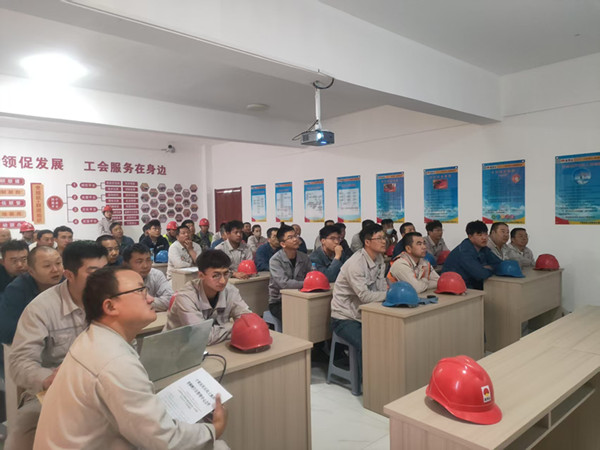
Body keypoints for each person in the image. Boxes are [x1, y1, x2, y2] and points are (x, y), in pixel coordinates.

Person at [33, 266, 229, 449]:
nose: (151, 299)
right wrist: (213, 430)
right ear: (110, 306)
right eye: (140, 291)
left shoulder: (95, 338)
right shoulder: (114, 361)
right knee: (218, 445)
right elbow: (163, 439)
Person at [6, 242, 107, 449]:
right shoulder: (41, 308)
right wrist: (48, 379)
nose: (104, 279)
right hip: (52, 390)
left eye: (106, 271)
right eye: (94, 273)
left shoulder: (111, 300)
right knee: (21, 437)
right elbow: (19, 362)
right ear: (69, 275)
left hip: (104, 386)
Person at [330, 223, 388, 379]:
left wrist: (386, 294)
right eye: (379, 238)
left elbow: (381, 287)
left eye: (384, 238)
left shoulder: (379, 259)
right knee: (369, 343)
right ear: (367, 242)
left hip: (365, 314)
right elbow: (365, 297)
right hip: (345, 318)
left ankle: (386, 378)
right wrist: (389, 295)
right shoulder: (356, 264)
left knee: (390, 335)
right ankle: (369, 383)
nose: (384, 241)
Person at [165, 250, 252, 345]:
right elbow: (202, 336)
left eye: (226, 274)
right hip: (176, 347)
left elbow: (249, 320)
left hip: (212, 346)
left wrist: (241, 325)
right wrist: (234, 326)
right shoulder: (186, 296)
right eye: (216, 275)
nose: (223, 281)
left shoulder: (230, 290)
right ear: (201, 275)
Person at [0, 247, 64, 345]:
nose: (55, 270)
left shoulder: (68, 282)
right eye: (47, 266)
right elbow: (8, 332)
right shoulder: (16, 290)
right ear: (31, 271)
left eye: (58, 263)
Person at [268, 224, 311, 321]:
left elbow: (312, 274)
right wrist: (307, 283)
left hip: (301, 297)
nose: (295, 239)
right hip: (279, 301)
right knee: (296, 317)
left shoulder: (304, 257)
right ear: (283, 244)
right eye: (290, 237)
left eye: (296, 236)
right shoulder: (275, 260)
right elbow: (284, 283)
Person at [442, 220, 502, 290]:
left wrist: (486, 268)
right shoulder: (464, 251)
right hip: (455, 287)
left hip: (472, 285)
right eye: (479, 235)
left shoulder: (484, 249)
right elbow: (481, 274)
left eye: (486, 234)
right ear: (470, 236)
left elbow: (500, 265)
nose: (484, 238)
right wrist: (488, 268)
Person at [124, 244, 174, 312]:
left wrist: (141, 304)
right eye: (139, 262)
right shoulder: (121, 281)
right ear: (127, 264)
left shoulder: (156, 274)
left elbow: (170, 299)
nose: (145, 266)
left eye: (148, 260)